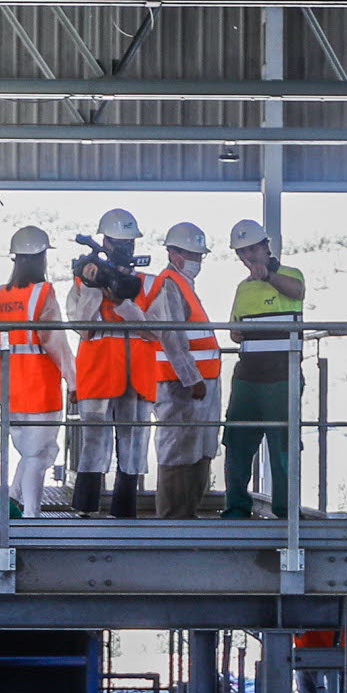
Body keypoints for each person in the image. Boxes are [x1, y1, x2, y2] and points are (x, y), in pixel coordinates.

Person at [65, 207, 153, 518]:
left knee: (132, 442)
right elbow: (81, 326)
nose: (125, 247)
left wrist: (122, 303)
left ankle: (125, 509)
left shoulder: (147, 281)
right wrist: (92, 290)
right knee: (93, 442)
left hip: (135, 375)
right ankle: (86, 508)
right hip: (98, 372)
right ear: (104, 240)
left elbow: (154, 330)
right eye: (118, 241)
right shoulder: (83, 279)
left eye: (129, 242)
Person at [0, 225, 73, 516]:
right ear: (41, 257)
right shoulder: (43, 293)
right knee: (38, 455)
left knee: (38, 452)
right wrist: (74, 382)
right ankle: (32, 515)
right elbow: (56, 343)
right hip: (40, 388)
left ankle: (9, 501)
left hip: (10, 390)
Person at [221, 219, 305, 519]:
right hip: (248, 376)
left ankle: (286, 510)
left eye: (253, 249)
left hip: (282, 376)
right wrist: (238, 333)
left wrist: (268, 276)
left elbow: (298, 292)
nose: (249, 257)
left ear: (266, 247)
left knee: (283, 443)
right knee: (237, 442)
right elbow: (234, 328)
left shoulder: (290, 275)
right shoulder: (242, 288)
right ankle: (236, 508)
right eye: (243, 252)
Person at [140, 221, 223, 517]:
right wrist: (193, 378)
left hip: (199, 384)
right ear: (174, 254)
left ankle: (188, 513)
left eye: (199, 256)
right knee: (177, 450)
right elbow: (173, 337)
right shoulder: (169, 284)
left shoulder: (184, 284)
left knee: (198, 448)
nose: (196, 261)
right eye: (192, 255)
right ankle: (174, 518)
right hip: (181, 385)